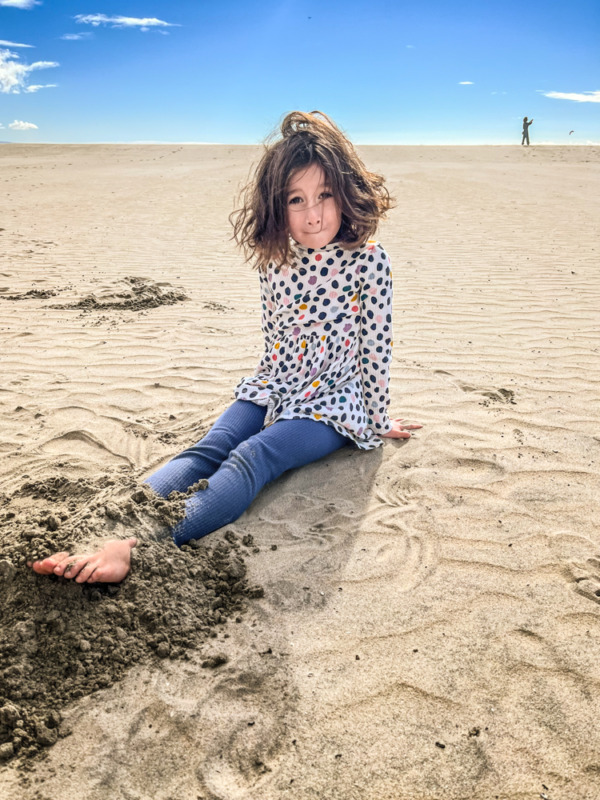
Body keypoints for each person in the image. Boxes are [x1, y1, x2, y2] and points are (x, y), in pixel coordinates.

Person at [30, 110, 421, 585]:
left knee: (253, 456)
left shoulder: (369, 260)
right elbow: (275, 336)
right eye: (296, 200)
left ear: (346, 193)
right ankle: (108, 527)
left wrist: (376, 420)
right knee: (209, 448)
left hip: (332, 402)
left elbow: (375, 349)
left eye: (325, 195)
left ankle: (139, 544)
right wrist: (266, 396)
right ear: (278, 207)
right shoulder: (276, 258)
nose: (313, 213)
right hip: (274, 383)